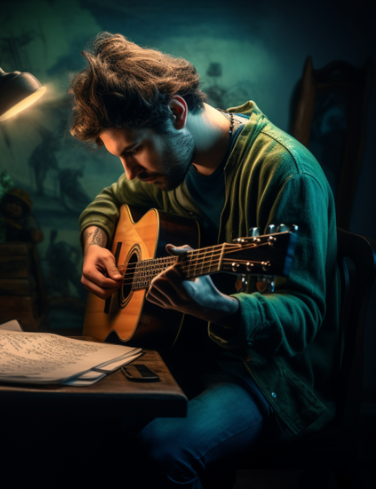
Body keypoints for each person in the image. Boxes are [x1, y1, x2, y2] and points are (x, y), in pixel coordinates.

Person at [68, 32, 340, 488]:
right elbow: (109, 201)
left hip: (270, 374)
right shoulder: (173, 165)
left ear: (176, 112)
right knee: (84, 426)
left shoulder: (287, 172)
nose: (130, 171)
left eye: (133, 150)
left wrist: (219, 308)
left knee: (163, 451)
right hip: (188, 353)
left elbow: (304, 314)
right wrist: (95, 242)